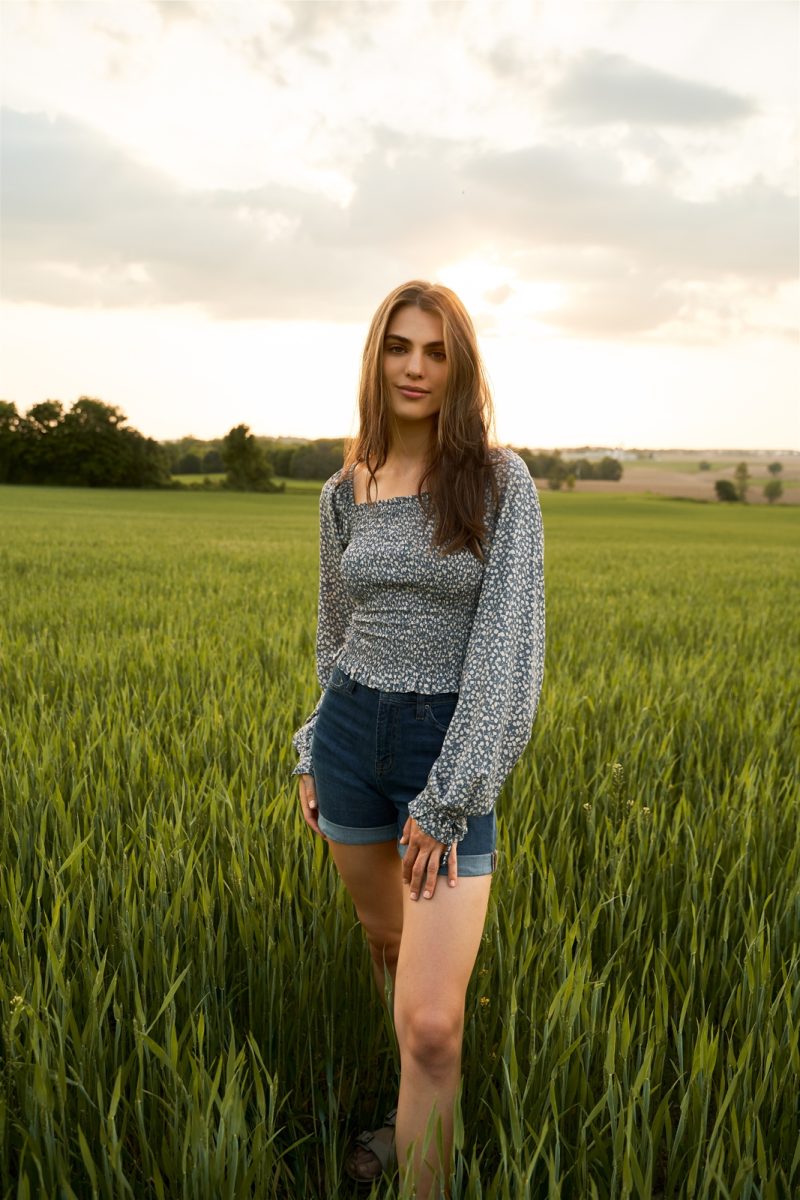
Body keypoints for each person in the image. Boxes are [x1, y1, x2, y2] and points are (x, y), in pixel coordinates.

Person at [290, 279, 545, 1199]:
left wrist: (448, 796)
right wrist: (314, 741)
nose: (416, 367)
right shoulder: (341, 488)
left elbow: (509, 656)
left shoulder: (498, 483)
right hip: (352, 746)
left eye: (437, 351)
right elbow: (336, 633)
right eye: (401, 346)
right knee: (390, 958)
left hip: (447, 748)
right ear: (377, 355)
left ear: (459, 367)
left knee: (435, 1024)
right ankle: (404, 1130)